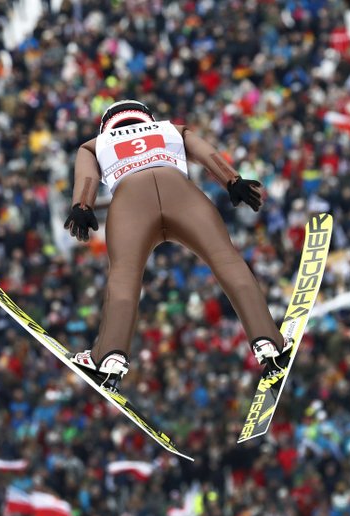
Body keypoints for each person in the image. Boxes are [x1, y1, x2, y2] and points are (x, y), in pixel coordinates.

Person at [63, 100, 292, 388]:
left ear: (107, 124)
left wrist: (82, 205)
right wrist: (233, 180)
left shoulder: (95, 143)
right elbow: (207, 154)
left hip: (130, 200)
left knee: (124, 275)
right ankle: (268, 341)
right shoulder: (170, 128)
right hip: (182, 194)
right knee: (226, 259)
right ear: (147, 117)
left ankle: (109, 357)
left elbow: (88, 176)